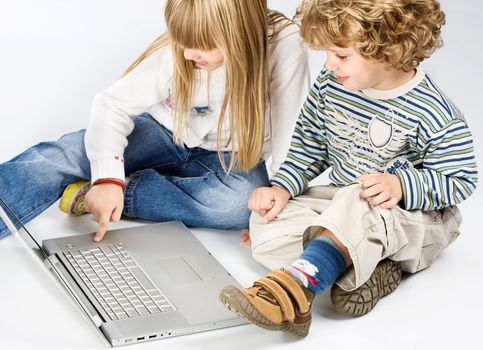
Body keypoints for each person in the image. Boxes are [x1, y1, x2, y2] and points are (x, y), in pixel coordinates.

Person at [219, 0, 478, 337]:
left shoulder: (434, 111)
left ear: (391, 47)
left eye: (341, 56)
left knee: (358, 199)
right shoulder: (331, 86)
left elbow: (460, 180)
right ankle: (359, 266)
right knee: (265, 222)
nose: (328, 64)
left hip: (411, 217)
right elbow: (309, 146)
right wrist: (281, 188)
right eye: (326, 53)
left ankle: (296, 290)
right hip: (343, 204)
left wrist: (401, 185)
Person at [0, 0, 310, 242]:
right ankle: (105, 181)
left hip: (231, 156)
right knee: (68, 153)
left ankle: (104, 192)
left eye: (203, 46)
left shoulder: (284, 44)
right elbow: (112, 106)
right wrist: (107, 176)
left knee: (238, 205)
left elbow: (290, 128)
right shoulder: (181, 52)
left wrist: (284, 204)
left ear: (239, 34)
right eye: (184, 43)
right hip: (164, 132)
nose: (189, 54)